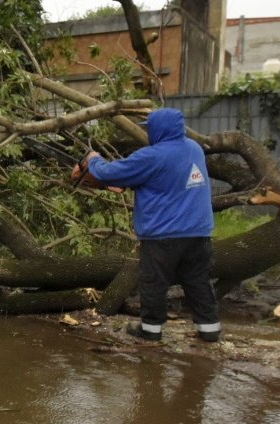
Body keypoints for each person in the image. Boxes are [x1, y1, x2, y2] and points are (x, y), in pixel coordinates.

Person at [72, 107, 221, 343]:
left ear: (158, 129)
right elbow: (163, 180)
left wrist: (94, 160)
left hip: (164, 234)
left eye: (150, 128)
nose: (148, 133)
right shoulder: (194, 149)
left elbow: (109, 173)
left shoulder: (152, 156)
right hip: (199, 231)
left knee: (153, 281)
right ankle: (209, 329)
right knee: (197, 281)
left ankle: (151, 330)